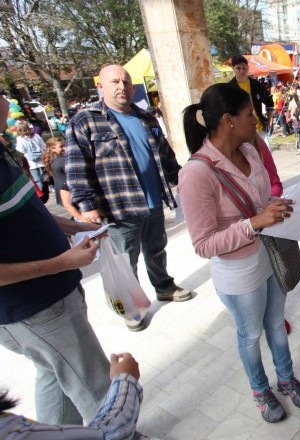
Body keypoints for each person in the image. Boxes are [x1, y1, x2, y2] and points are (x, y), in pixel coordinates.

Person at [178, 83, 300, 424]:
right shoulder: (196, 173)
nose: (257, 118)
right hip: (238, 273)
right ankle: (259, 389)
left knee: (276, 326)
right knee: (250, 333)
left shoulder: (252, 150)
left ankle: (286, 378)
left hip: (269, 256)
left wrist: (274, 207)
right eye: (249, 114)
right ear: (228, 120)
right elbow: (203, 244)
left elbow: (258, 202)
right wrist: (254, 223)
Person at [0, 91, 112, 426]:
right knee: (96, 387)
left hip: (49, 304)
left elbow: (28, 211)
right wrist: (63, 262)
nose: (5, 99)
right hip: (36, 309)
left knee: (55, 378)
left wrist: (77, 225)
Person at [66, 65, 192, 332]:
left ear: (133, 87)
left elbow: (166, 156)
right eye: (114, 81)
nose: (121, 86)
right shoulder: (86, 120)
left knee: (156, 249)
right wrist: (87, 206)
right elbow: (77, 167)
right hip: (119, 208)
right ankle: (130, 306)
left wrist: (183, 181)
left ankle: (164, 287)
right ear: (100, 87)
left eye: (126, 81)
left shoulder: (146, 117)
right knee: (126, 261)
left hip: (153, 202)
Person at [0, 353, 144, 439]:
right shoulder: (8, 431)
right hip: (43, 311)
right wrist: (125, 380)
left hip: (15, 318)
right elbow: (111, 435)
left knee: (50, 367)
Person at [229, 55, 275, 134]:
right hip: (240, 132)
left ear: (248, 68)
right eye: (238, 68)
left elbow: (269, 101)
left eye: (244, 68)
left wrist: (269, 121)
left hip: (259, 129)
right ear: (233, 68)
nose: (241, 71)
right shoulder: (229, 88)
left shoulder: (256, 85)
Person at [14, 123, 47, 197]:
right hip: (42, 158)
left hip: (31, 161)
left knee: (36, 177)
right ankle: (50, 186)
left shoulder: (20, 139)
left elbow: (20, 150)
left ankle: (42, 192)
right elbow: (44, 146)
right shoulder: (36, 136)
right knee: (46, 174)